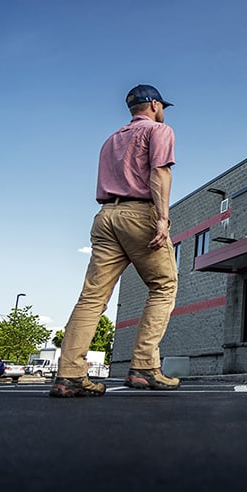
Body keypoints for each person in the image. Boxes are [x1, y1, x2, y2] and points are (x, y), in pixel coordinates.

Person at [50, 84, 180, 397]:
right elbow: (159, 173)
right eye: (161, 105)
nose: (163, 110)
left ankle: (69, 374)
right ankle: (145, 367)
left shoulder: (111, 140)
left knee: (92, 297)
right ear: (152, 105)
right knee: (164, 285)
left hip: (105, 216)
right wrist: (162, 219)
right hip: (139, 215)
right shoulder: (159, 131)